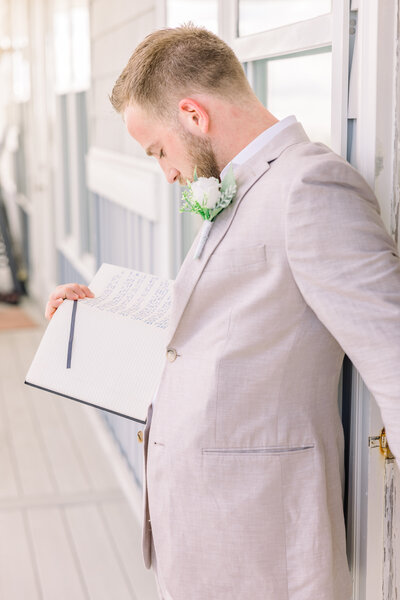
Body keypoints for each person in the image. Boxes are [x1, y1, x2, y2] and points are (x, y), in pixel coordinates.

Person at [45, 24, 400, 600]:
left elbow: (393, 354)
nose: (166, 173)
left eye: (158, 150)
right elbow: (228, 331)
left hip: (262, 548)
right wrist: (99, 322)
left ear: (193, 114)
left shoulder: (309, 185)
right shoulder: (241, 185)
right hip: (203, 538)